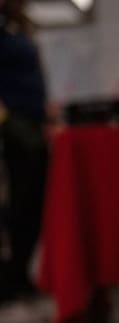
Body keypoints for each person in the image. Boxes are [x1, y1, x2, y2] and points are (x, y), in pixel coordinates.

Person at [0, 0, 48, 304]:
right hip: (11, 124)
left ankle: (20, 273)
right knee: (15, 202)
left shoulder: (19, 25)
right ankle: (9, 278)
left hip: (32, 120)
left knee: (31, 201)